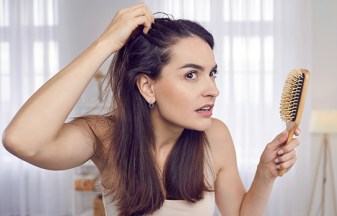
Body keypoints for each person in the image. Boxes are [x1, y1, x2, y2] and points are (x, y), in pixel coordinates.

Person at [2, 3, 299, 216]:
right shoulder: (104, 136)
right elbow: (22, 141)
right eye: (191, 74)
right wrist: (105, 44)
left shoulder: (214, 135)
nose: (213, 89)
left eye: (212, 73)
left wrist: (264, 174)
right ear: (147, 86)